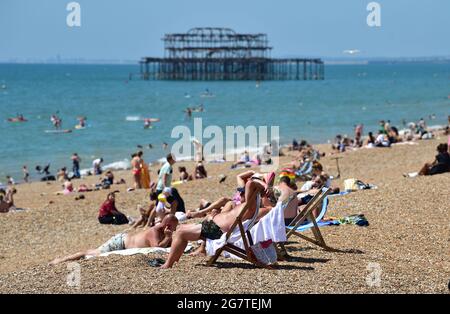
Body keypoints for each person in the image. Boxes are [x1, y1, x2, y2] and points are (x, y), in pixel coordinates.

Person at [160, 178, 268, 268]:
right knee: (181, 229)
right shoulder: (246, 206)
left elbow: (250, 182)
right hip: (214, 227)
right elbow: (250, 184)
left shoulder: (249, 206)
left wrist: (263, 186)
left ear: (249, 193)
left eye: (242, 192)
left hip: (217, 231)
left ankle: (168, 264)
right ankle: (172, 260)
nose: (239, 194)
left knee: (180, 233)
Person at [49, 215, 179, 265]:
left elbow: (169, 244)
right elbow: (157, 247)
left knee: (92, 253)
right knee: (91, 253)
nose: (175, 228)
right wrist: (168, 237)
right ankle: (61, 260)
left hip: (123, 242)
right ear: (167, 225)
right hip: (119, 242)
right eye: (174, 226)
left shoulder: (164, 231)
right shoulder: (155, 231)